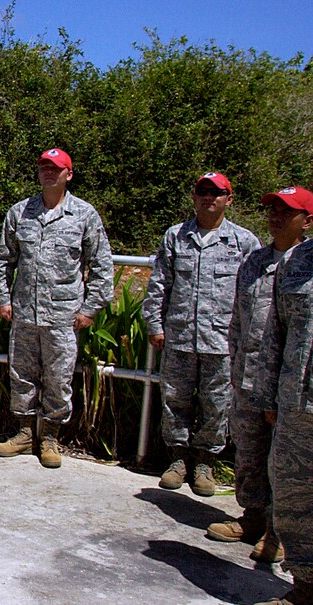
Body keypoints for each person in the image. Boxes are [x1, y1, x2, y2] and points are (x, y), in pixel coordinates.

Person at [0, 148, 114, 468]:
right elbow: (3, 261)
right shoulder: (20, 213)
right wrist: (2, 299)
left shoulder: (84, 215)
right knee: (22, 376)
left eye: (55, 168)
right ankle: (25, 433)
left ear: (68, 174)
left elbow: (101, 265)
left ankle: (50, 437)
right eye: (44, 167)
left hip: (63, 316)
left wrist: (90, 308)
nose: (48, 173)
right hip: (25, 314)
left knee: (58, 379)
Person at [207, 187, 313, 562]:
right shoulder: (254, 261)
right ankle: (252, 518)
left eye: (287, 212)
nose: (276, 217)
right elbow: (239, 320)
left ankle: (279, 533)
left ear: (307, 220)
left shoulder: (303, 263)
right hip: (250, 376)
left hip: (292, 387)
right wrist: (235, 365)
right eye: (273, 210)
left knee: (282, 465)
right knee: (249, 453)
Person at [141, 171, 261, 497]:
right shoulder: (175, 237)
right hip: (179, 336)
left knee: (217, 404)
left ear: (229, 199)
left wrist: (248, 340)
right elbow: (160, 284)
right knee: (173, 400)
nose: (209, 197)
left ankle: (205, 463)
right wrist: (155, 323)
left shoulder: (245, 242)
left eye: (216, 192)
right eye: (203, 192)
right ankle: (177, 460)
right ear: (194, 197)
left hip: (221, 342)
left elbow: (253, 295)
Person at [254, 200, 313, 605]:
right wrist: (268, 393)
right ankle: (304, 588)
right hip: (296, 402)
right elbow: (275, 333)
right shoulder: (296, 262)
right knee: (293, 497)